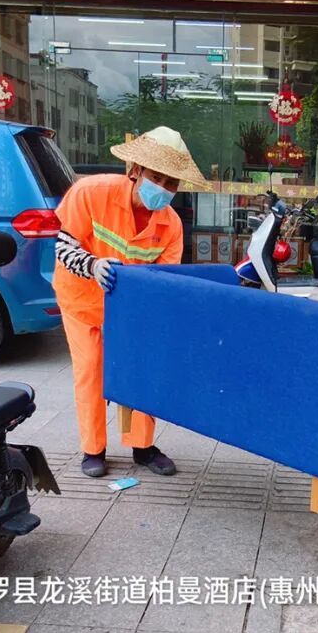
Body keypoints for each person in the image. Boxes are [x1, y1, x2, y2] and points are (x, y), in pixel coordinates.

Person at [54, 126, 208, 478]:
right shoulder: (91, 192)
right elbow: (63, 246)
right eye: (157, 178)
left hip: (133, 311)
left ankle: (143, 446)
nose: (163, 188)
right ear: (136, 170)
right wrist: (92, 265)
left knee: (144, 369)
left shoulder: (171, 226)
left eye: (172, 183)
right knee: (91, 370)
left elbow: (163, 282)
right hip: (83, 301)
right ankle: (93, 449)